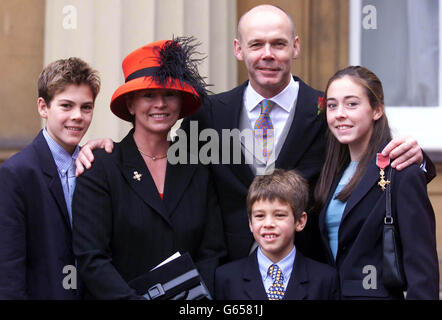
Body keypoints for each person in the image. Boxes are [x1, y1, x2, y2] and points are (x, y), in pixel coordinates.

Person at [76, 4, 435, 263]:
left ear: (295, 47)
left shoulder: (328, 110)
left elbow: (370, 150)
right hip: (230, 278)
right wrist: (99, 145)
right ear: (238, 50)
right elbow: (159, 152)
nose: (267, 55)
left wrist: (417, 159)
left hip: (310, 275)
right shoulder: (208, 113)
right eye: (256, 44)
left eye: (278, 44)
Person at [71, 37, 226, 299]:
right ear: (131, 104)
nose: (160, 104)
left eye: (169, 94)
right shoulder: (101, 168)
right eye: (148, 95)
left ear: (180, 104)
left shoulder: (197, 167)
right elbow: (92, 259)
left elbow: (212, 252)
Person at [314, 66, 439, 299]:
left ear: (377, 110)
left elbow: (422, 266)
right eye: (332, 105)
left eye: (351, 104)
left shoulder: (400, 170)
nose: (340, 113)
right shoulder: (331, 171)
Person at [0, 57, 100, 299]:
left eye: (86, 107)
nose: (78, 116)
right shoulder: (16, 173)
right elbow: (8, 269)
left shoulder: (96, 166)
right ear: (43, 107)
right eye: (66, 106)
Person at [215, 169, 339, 300]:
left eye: (279, 215)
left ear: (300, 221)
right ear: (250, 223)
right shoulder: (227, 278)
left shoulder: (325, 279)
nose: (268, 224)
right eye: (260, 216)